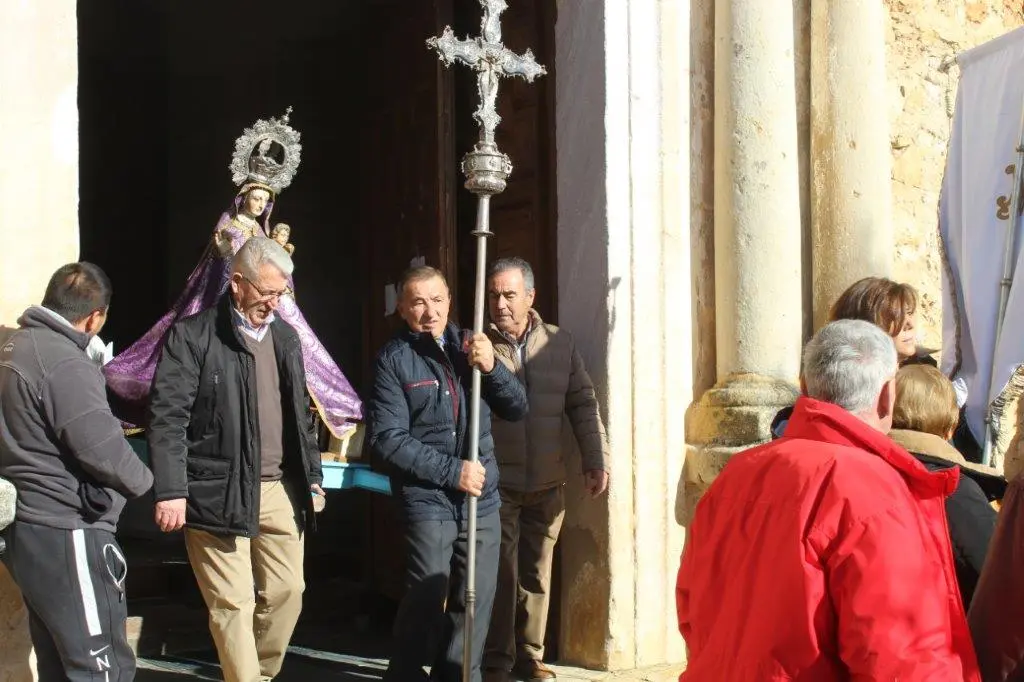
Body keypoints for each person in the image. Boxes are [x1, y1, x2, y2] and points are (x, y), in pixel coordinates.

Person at [677, 319, 981, 681]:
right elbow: (901, 656)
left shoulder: (737, 473)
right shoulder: (874, 490)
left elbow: (692, 605)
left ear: (805, 387)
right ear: (888, 395)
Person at [103, 110, 361, 439]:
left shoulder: (266, 236)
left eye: (265, 200)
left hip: (271, 305)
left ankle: (335, 406)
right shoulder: (229, 229)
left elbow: (282, 277)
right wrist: (228, 256)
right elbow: (216, 274)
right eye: (255, 198)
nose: (259, 204)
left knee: (301, 343)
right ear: (243, 198)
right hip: (233, 302)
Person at [147, 237, 325, 682]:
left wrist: (314, 478)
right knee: (233, 603)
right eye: (267, 292)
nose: (274, 302)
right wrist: (171, 490)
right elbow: (167, 418)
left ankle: (259, 675)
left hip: (278, 489)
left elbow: (300, 417)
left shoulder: (285, 337)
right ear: (238, 283)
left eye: (281, 292)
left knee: (289, 592)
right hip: (215, 490)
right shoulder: (193, 337)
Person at [369, 265, 528, 682]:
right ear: (402, 309)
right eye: (418, 302)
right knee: (426, 598)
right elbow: (387, 439)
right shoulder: (394, 361)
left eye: (437, 300)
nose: (429, 311)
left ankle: (459, 677)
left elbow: (517, 407)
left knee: (473, 605)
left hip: (481, 498)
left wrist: (493, 367)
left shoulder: (471, 346)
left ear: (450, 303)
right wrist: (451, 470)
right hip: (429, 500)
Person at [0, 262, 153, 682]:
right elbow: (99, 447)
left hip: (28, 528)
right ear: (95, 317)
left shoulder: (15, 348)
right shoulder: (63, 361)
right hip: (68, 528)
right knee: (100, 663)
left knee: (58, 662)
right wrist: (147, 483)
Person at [480, 258, 609, 682]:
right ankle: (496, 661)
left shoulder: (560, 343)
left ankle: (529, 656)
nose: (500, 304)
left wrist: (595, 459)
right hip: (498, 484)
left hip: (548, 481)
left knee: (537, 574)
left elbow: (582, 404)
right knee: (500, 575)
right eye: (495, 294)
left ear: (530, 297)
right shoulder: (476, 345)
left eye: (509, 294)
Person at [888, 363, 1000, 608]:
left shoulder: (860, 468)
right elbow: (998, 572)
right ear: (950, 427)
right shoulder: (955, 487)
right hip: (941, 629)